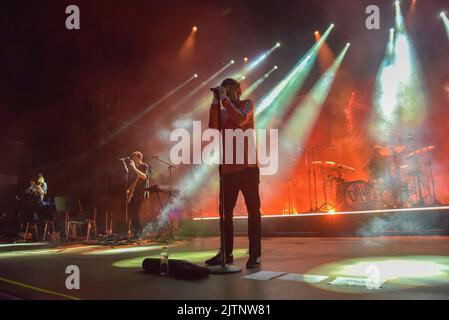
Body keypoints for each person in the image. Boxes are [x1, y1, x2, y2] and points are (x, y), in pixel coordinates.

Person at [206, 78, 262, 269]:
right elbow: (213, 126)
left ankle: (255, 255)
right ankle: (225, 254)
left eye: (230, 90)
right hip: (228, 170)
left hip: (248, 168)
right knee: (224, 213)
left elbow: (240, 119)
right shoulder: (223, 110)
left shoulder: (247, 104)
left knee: (253, 211)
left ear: (238, 90)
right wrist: (215, 102)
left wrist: (225, 101)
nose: (227, 94)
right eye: (225, 91)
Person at [127, 151, 150, 237]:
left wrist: (134, 168)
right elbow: (134, 182)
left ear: (139, 158)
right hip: (133, 193)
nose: (132, 159)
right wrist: (129, 190)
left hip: (140, 193)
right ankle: (135, 232)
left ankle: (139, 232)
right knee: (131, 213)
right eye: (132, 158)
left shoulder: (144, 166)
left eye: (134, 157)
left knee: (135, 213)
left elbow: (144, 176)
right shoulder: (135, 168)